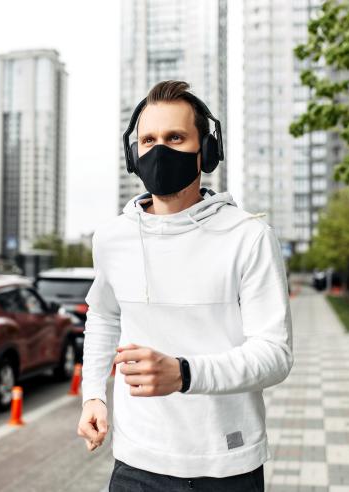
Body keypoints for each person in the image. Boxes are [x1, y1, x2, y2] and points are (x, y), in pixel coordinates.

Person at [77, 80, 293, 491]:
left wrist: (185, 374)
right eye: (149, 139)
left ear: (205, 151)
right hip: (135, 463)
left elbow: (275, 355)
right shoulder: (112, 238)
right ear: (133, 153)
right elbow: (104, 315)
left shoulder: (249, 236)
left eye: (175, 137)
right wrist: (93, 395)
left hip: (226, 465)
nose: (160, 150)